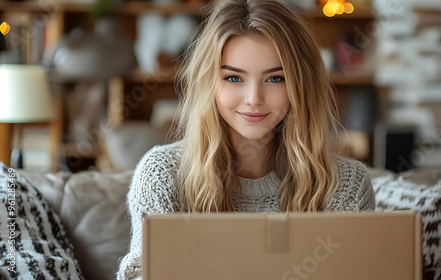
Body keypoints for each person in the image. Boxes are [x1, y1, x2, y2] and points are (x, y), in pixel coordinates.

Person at [117, 0, 375, 278]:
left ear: (302, 84)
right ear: (209, 83)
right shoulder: (161, 174)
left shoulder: (347, 183)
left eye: (275, 79)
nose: (254, 99)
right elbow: (140, 274)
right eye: (234, 78)